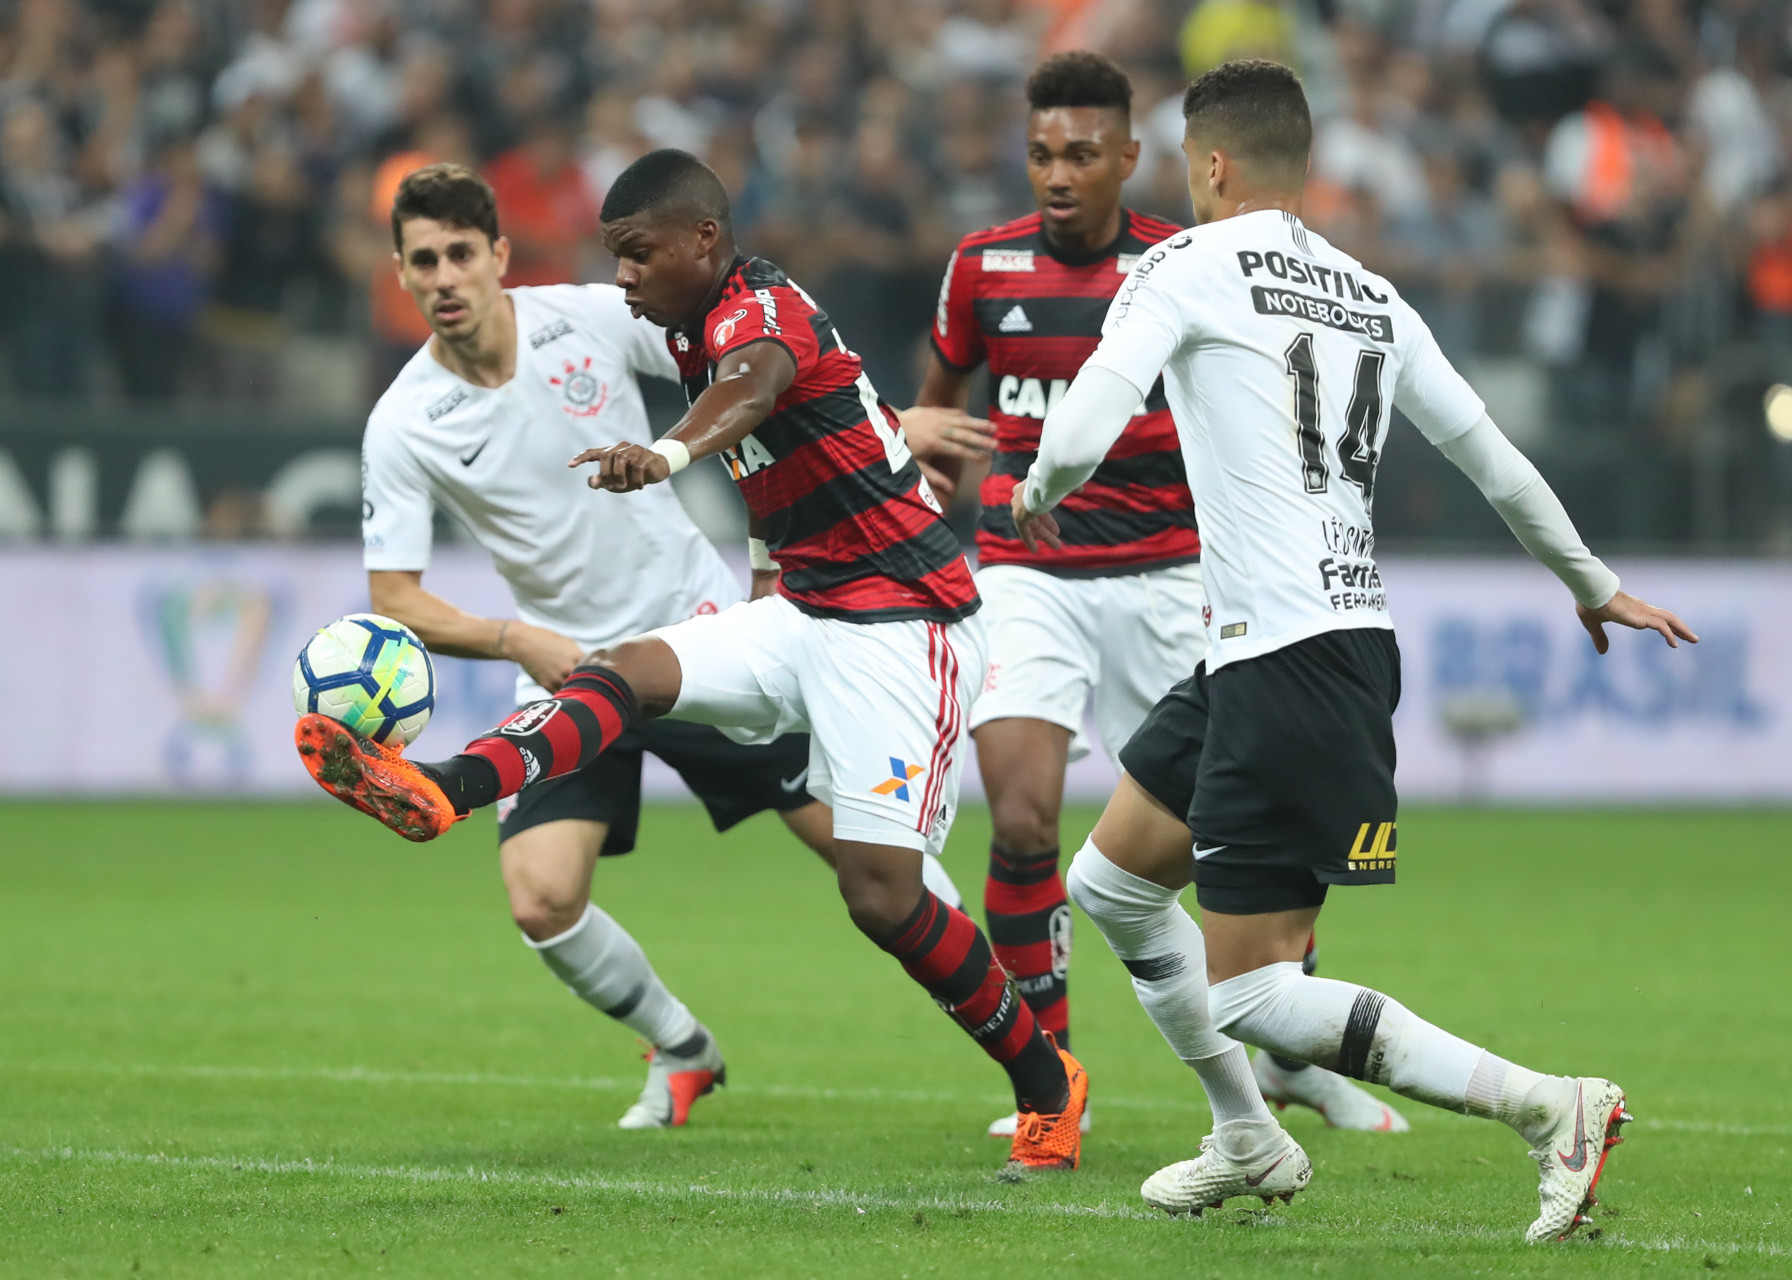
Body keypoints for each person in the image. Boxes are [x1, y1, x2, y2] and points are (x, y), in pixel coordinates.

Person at [299, 150, 1090, 1175]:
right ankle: (444, 786)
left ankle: (1046, 1077)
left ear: (700, 241)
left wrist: (667, 452)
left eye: (636, 255)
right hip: (793, 611)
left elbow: (756, 387)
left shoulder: (749, 311)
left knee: (881, 890)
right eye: (422, 260)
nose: (622, 276)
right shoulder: (614, 342)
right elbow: (789, 445)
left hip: (909, 624)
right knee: (620, 678)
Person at [1011, 60, 1696, 1239]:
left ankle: (1552, 1108)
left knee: (1263, 988)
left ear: (1211, 166)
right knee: (1111, 884)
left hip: (1291, 665)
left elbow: (1085, 417)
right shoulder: (1369, 293)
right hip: (1290, 647)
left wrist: (1038, 484)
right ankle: (1246, 1136)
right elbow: (1493, 459)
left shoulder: (1182, 263)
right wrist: (1594, 583)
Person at [918, 50, 1406, 1139]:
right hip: (1027, 565)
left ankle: (1290, 1056)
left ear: (1132, 159)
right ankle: (1047, 1075)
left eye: (1082, 153)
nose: (1057, 172)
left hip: (1174, 575)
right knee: (1026, 813)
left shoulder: (1189, 260)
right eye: (1042, 151)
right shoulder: (979, 267)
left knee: (1242, 827)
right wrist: (927, 468)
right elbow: (940, 403)